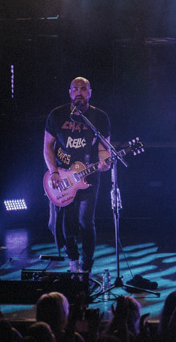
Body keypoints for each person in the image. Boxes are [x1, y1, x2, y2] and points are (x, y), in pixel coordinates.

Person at [44, 77, 111, 273]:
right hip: (63, 178)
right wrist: (53, 171)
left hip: (89, 179)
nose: (79, 92)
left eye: (83, 89)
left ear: (90, 92)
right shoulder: (57, 115)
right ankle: (72, 261)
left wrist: (104, 161)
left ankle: (86, 266)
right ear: (70, 92)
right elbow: (47, 146)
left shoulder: (99, 117)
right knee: (67, 223)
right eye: (75, 89)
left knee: (86, 222)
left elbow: (104, 148)